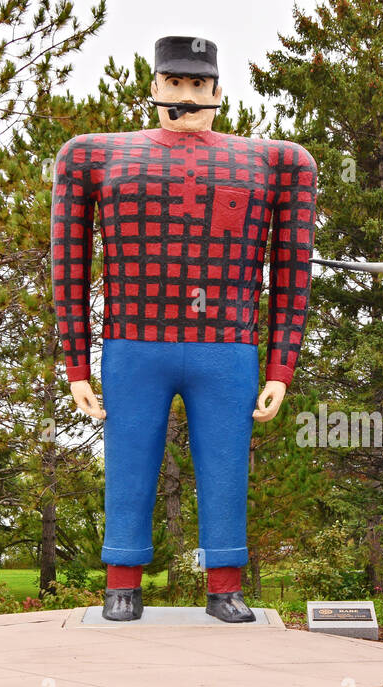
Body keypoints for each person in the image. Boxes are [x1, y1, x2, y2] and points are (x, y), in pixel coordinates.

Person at [51, 36, 317, 622]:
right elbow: (68, 264)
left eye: (199, 85)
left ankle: (224, 583)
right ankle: (122, 579)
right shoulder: (92, 156)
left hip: (226, 345)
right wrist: (74, 363)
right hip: (134, 341)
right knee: (128, 459)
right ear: (153, 88)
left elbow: (293, 268)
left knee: (225, 464)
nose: (187, 96)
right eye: (175, 83)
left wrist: (281, 365)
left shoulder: (276, 162)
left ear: (218, 91)